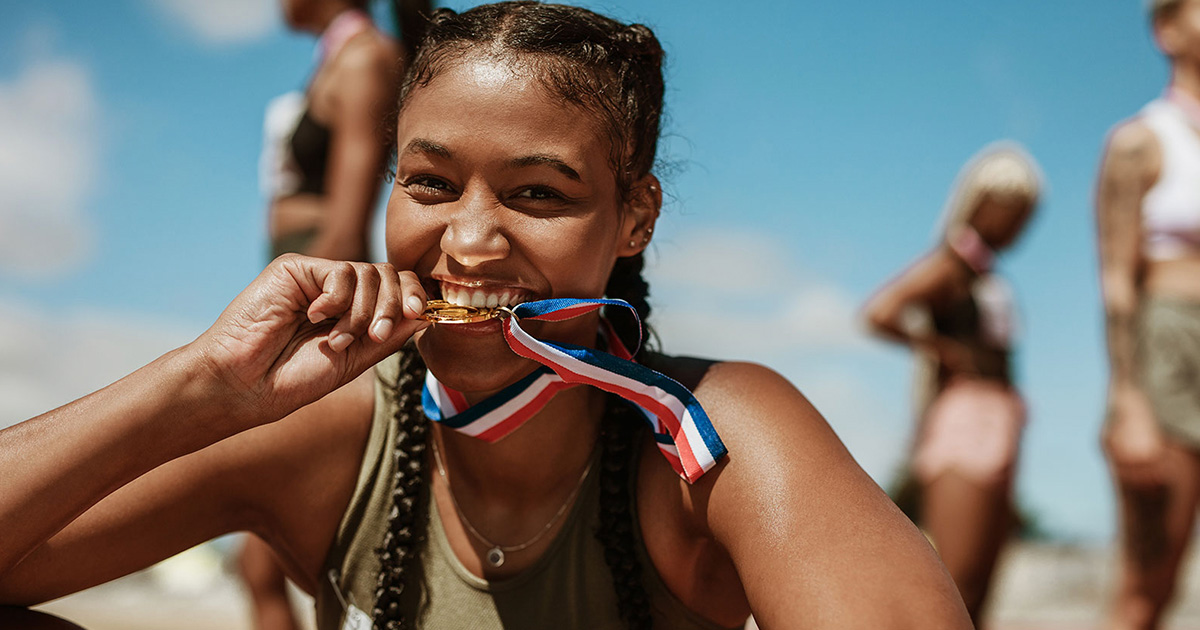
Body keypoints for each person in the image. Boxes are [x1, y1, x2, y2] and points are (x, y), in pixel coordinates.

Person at [0, 3, 972, 628]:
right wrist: (200, 386)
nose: (467, 244)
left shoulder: (715, 440)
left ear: (633, 216)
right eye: (427, 183)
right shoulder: (331, 436)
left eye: (538, 195)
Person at [251, 3, 429, 628]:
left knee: (262, 563)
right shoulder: (337, 58)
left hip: (321, 306)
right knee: (259, 563)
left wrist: (309, 325)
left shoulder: (364, 58)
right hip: (300, 294)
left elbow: (349, 223)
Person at [863, 142, 1041, 624]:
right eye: (1012, 211)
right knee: (957, 583)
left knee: (983, 585)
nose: (1018, 224)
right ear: (979, 203)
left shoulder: (988, 275)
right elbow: (879, 311)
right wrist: (940, 350)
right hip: (966, 418)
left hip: (1003, 417)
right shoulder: (949, 265)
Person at [1097, 1, 1200, 628]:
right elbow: (1115, 279)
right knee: (1149, 587)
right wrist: (1128, 401)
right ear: (1168, 29)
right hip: (1172, 349)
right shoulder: (1141, 140)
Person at [259, 0, 409, 262]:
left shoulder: (363, 59)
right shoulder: (339, 59)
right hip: (303, 259)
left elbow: (346, 236)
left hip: (320, 263)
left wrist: (311, 293)